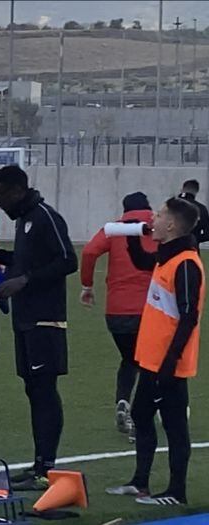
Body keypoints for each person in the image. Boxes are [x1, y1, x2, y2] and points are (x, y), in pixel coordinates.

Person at [0, 165, 77, 491]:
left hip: (45, 320)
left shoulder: (44, 216)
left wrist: (24, 280)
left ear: (17, 191)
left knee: (45, 391)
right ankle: (39, 466)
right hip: (24, 320)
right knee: (33, 390)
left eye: (0, 194)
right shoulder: (23, 221)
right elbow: (27, 261)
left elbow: (67, 261)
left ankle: (45, 468)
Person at [106, 197, 202, 507]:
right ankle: (140, 482)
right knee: (141, 415)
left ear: (172, 225)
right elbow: (142, 262)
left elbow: (189, 317)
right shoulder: (167, 256)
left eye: (159, 215)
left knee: (175, 426)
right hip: (151, 359)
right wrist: (133, 236)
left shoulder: (186, 262)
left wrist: (170, 361)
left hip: (168, 363)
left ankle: (176, 491)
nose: (154, 219)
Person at [80, 192, 154, 437]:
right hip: (149, 310)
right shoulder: (156, 228)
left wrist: (87, 285)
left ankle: (123, 401)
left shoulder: (114, 230)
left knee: (129, 359)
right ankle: (141, 418)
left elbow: (89, 252)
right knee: (150, 364)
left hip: (117, 311)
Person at [177, 179, 209, 244]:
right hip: (192, 248)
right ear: (196, 191)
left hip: (171, 248)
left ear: (182, 189)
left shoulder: (172, 205)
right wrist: (195, 238)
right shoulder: (201, 208)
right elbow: (207, 233)